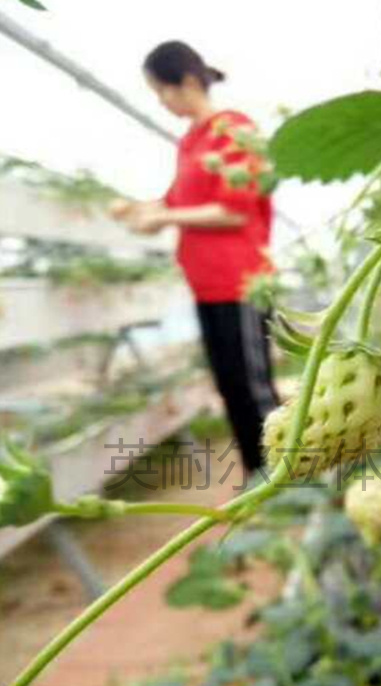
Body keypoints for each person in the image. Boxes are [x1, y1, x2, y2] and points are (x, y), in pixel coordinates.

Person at [111, 41, 279, 479]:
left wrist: (163, 215)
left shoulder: (234, 129)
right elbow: (178, 201)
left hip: (242, 281)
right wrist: (140, 209)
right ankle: (257, 478)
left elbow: (234, 208)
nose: (162, 102)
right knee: (231, 389)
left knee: (254, 389)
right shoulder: (191, 142)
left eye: (161, 91)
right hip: (206, 285)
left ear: (186, 82)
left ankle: (287, 480)